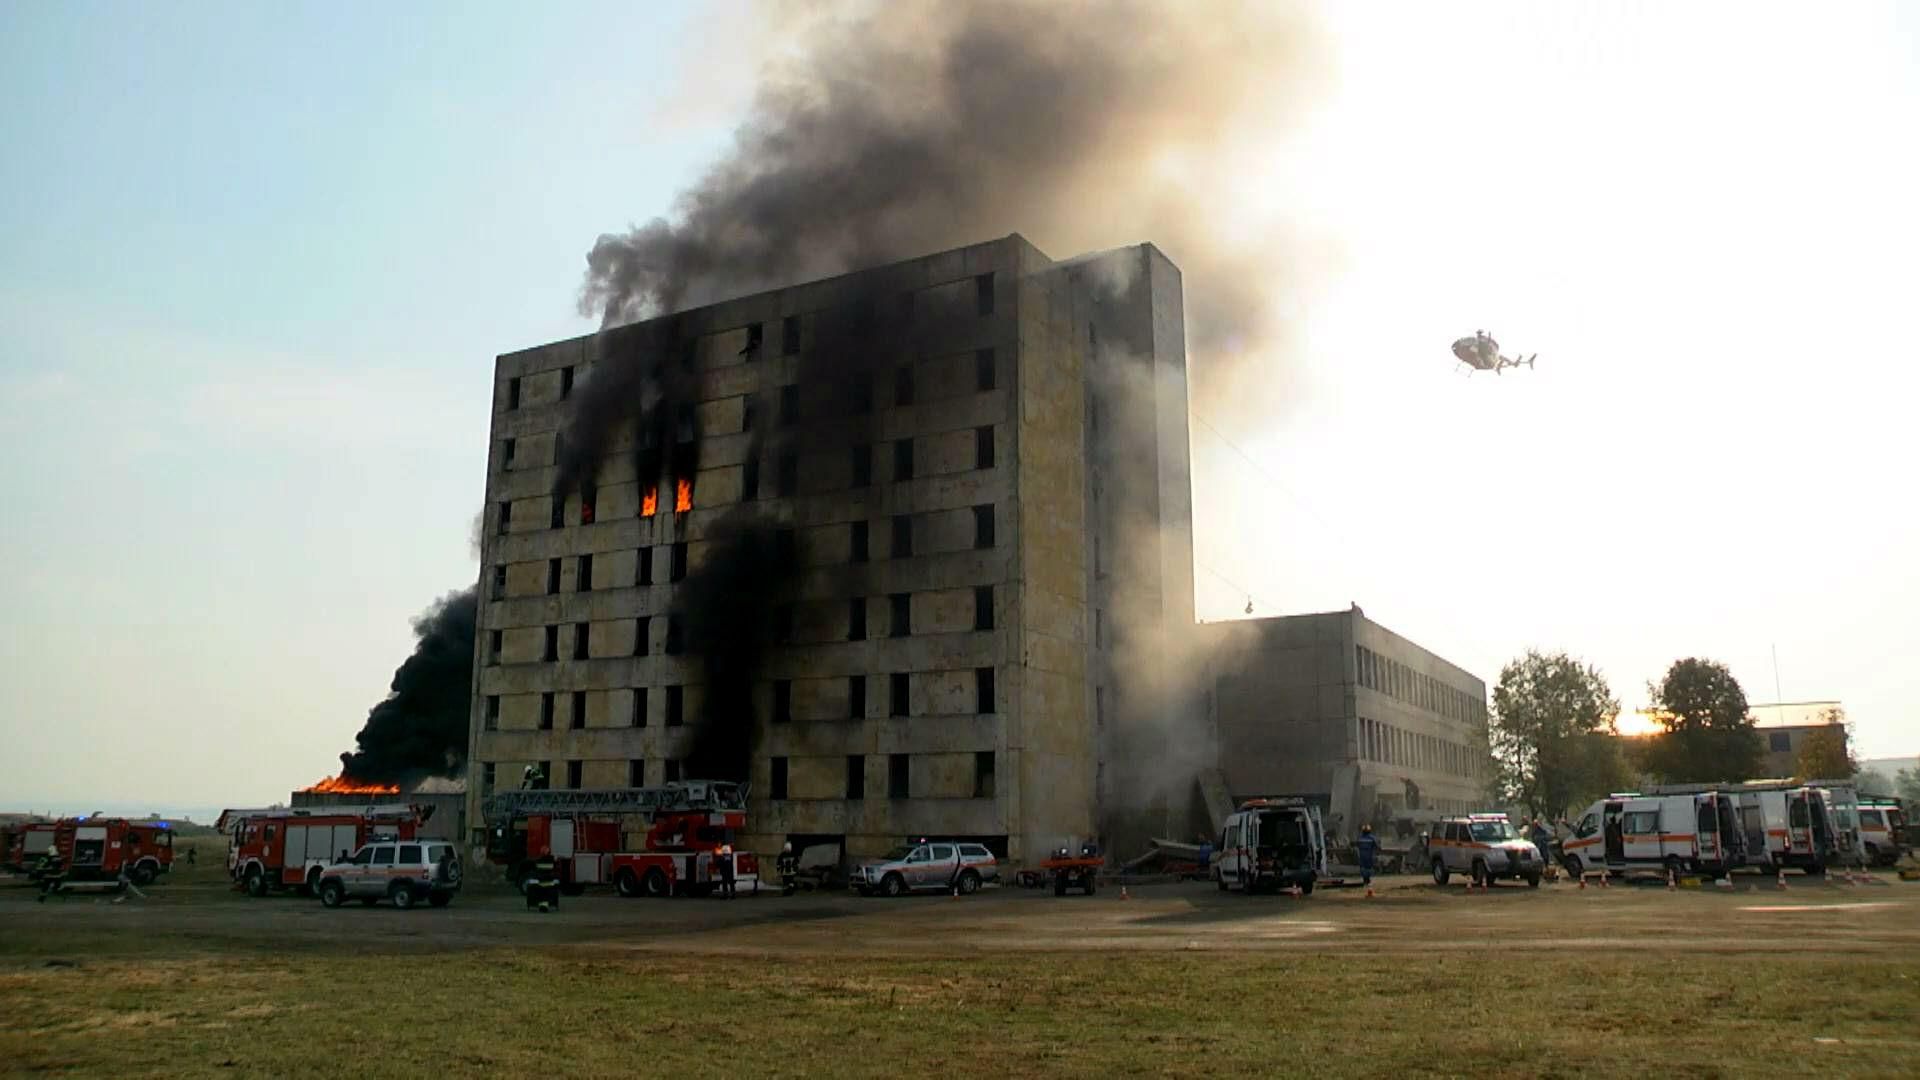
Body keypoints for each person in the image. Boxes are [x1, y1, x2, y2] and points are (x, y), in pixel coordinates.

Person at [1355, 824, 1380, 889]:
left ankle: (1365, 881)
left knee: (1363, 868)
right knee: (1368, 868)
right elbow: (1377, 846)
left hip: (1362, 856)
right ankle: (1367, 880)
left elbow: (1357, 845)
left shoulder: (1360, 838)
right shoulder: (1372, 838)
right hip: (1369, 856)